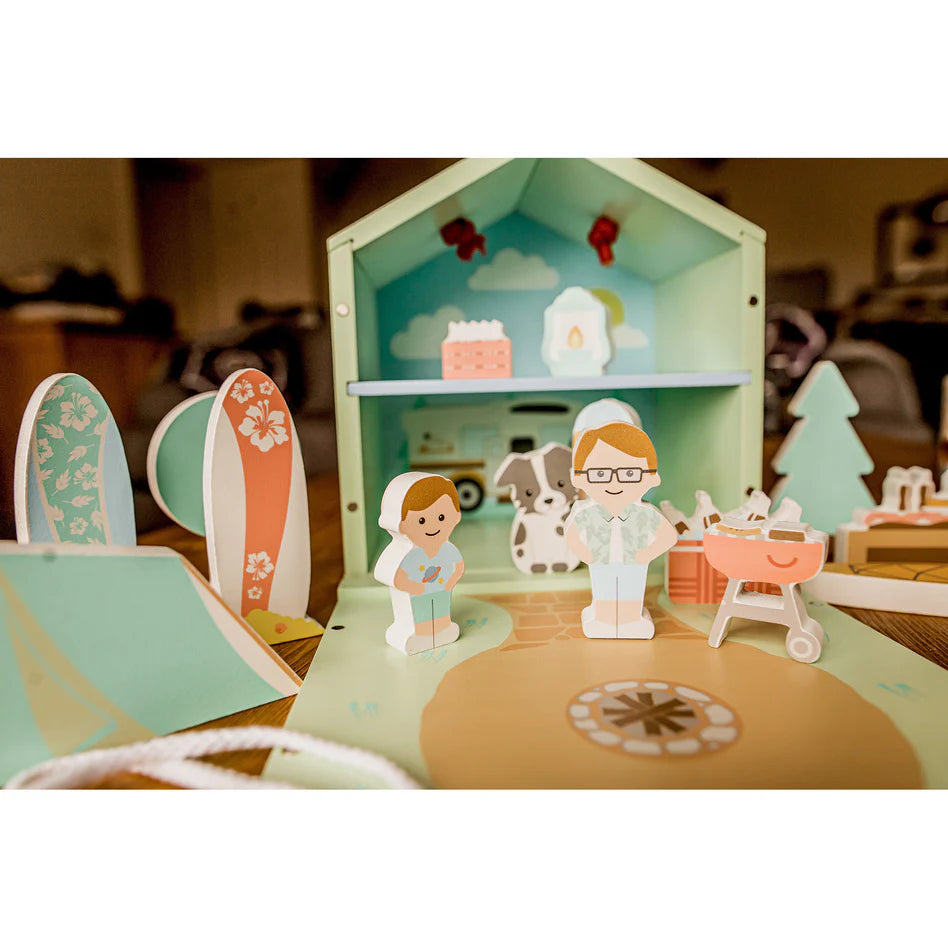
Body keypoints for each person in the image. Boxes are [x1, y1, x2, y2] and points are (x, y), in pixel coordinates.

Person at [566, 421, 677, 638]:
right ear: (579, 478)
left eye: (629, 473)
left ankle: (631, 621)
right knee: (603, 590)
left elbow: (668, 537)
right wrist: (585, 554)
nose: (615, 483)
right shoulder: (587, 513)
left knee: (631, 592)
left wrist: (646, 554)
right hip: (600, 560)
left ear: (652, 477)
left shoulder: (645, 514)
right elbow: (571, 534)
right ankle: (602, 620)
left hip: (634, 562)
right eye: (600, 474)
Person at [374, 472, 465, 654]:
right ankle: (419, 635)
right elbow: (389, 575)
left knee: (440, 613)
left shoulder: (447, 549)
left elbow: (458, 567)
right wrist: (412, 587)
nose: (433, 526)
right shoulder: (408, 553)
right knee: (420, 616)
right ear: (400, 524)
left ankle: (443, 630)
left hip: (442, 590)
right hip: (417, 595)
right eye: (421, 520)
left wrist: (451, 580)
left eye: (441, 517)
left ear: (456, 515)